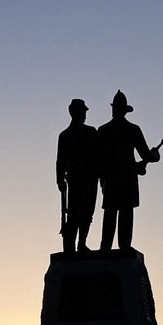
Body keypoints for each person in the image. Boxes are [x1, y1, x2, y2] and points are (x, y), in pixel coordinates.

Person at [96, 90, 160, 251]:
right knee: (125, 212)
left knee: (110, 212)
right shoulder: (132, 129)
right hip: (126, 177)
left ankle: (105, 247)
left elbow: (98, 159)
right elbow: (146, 155)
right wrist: (155, 155)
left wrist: (102, 178)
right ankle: (124, 246)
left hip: (110, 177)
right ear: (125, 110)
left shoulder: (102, 131)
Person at [56, 98, 99, 254]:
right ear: (73, 112)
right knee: (73, 215)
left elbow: (98, 156)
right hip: (75, 180)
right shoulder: (65, 136)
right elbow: (60, 160)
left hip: (91, 178)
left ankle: (82, 244)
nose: (84, 115)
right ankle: (71, 246)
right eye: (82, 112)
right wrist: (59, 179)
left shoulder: (91, 132)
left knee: (87, 213)